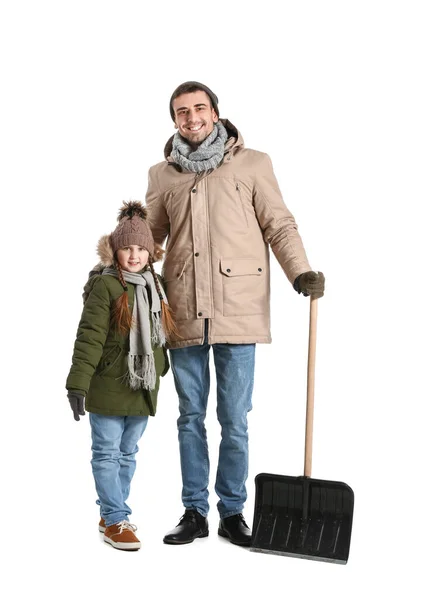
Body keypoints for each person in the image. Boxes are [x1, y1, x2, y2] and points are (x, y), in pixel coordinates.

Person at [145, 81, 325, 547]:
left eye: (199, 108)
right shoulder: (161, 175)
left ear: (216, 112)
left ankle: (232, 511)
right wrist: (114, 266)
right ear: (175, 121)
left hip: (239, 308)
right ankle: (194, 511)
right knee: (189, 416)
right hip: (182, 308)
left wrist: (300, 272)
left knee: (235, 418)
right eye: (182, 112)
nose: (192, 118)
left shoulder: (253, 164)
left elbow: (279, 223)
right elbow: (149, 240)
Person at [66, 200, 173, 551]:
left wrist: (161, 367)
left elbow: (160, 334)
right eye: (126, 248)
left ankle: (112, 511)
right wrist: (77, 384)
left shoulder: (154, 286)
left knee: (128, 452)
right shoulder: (106, 286)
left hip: (141, 386)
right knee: (108, 452)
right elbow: (90, 338)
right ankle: (115, 518)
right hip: (109, 383)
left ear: (150, 252)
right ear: (115, 250)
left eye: (141, 248)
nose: (134, 255)